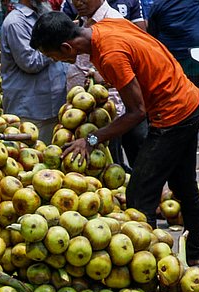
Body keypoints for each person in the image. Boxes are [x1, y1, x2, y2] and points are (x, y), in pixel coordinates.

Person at [30, 12, 199, 264]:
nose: (57, 61)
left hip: (172, 116)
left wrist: (92, 139)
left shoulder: (110, 54)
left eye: (53, 56)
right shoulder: (105, 27)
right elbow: (137, 57)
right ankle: (196, 254)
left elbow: (137, 113)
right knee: (184, 185)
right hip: (189, 100)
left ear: (66, 47)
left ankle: (148, 262)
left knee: (139, 195)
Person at [61, 0, 147, 169]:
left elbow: (137, 111)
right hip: (89, 109)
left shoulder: (113, 28)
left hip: (119, 106)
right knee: (110, 165)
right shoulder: (80, 19)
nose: (78, 3)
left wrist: (92, 139)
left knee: (138, 165)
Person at [146, 0, 199, 147]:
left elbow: (152, 33)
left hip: (175, 55)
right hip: (195, 51)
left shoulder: (157, 5)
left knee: (178, 95)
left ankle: (182, 134)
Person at [0, 0, 69, 142]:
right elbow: (30, 62)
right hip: (31, 111)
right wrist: (57, 45)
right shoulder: (16, 22)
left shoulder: (45, 15)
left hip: (55, 107)